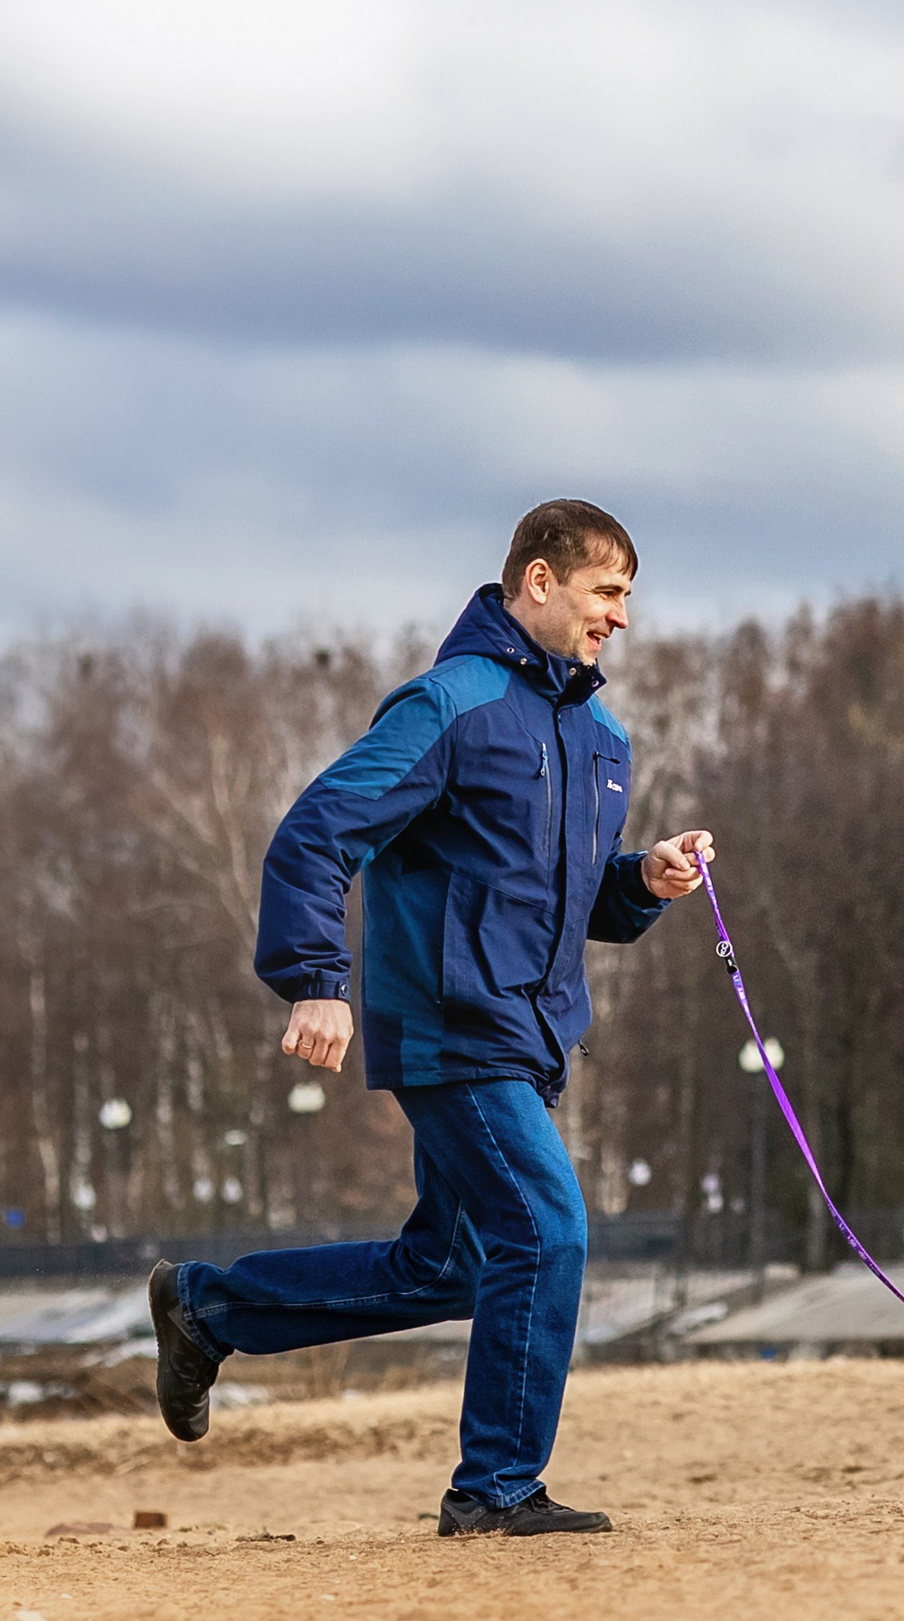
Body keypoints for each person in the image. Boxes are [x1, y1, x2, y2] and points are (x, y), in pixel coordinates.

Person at [145, 500, 716, 1539]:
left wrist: (643, 879)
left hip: (533, 1040)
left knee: (450, 1267)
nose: (622, 616)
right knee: (544, 1230)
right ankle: (494, 1489)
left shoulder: (601, 737)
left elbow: (565, 895)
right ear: (538, 581)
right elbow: (317, 833)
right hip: (453, 1030)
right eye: (606, 591)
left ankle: (207, 1310)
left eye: (629, 596)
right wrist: (316, 978)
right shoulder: (450, 704)